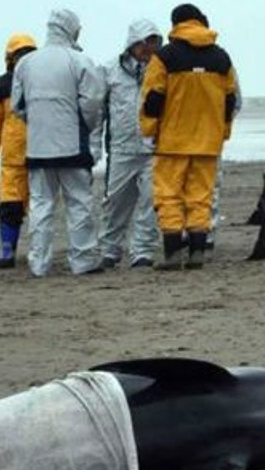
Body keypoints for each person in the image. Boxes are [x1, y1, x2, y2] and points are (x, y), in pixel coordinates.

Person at [141, 4, 239, 270]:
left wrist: (149, 132)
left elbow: (153, 99)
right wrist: (223, 133)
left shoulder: (164, 57)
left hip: (172, 143)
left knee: (169, 196)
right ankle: (197, 253)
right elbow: (230, 101)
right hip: (208, 143)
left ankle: (172, 255)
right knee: (201, 198)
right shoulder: (221, 59)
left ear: (175, 24)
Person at [11, 9, 105, 277]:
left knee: (41, 205)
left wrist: (38, 121)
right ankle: (83, 259)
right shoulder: (79, 61)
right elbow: (93, 101)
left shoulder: (26, 64)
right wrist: (84, 126)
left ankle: (38, 263)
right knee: (79, 204)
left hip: (38, 147)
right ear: (72, 29)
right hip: (72, 146)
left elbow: (17, 106)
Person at [97, 19, 163, 269]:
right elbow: (98, 111)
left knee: (150, 202)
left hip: (153, 148)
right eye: (145, 42)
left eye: (154, 42)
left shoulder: (162, 69)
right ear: (133, 43)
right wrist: (94, 145)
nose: (149, 48)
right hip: (121, 149)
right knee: (115, 203)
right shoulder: (109, 70)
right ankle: (110, 250)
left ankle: (143, 251)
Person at [0, 33, 37, 269]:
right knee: (10, 206)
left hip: (40, 154)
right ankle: (8, 251)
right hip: (13, 158)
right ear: (10, 58)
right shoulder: (1, 86)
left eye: (28, 53)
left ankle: (38, 250)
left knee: (38, 208)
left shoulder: (42, 82)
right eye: (20, 54)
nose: (24, 58)